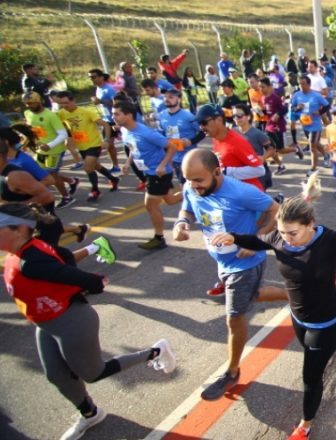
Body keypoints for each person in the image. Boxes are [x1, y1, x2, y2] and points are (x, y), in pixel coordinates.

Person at [209, 171, 336, 439]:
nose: (286, 239)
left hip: (326, 320)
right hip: (298, 317)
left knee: (311, 377)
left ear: (311, 224)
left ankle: (305, 424)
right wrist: (234, 237)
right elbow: (258, 240)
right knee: (310, 347)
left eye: (293, 233)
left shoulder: (329, 241)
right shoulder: (278, 238)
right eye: (283, 232)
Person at [0, 201, 172, 440]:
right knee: (57, 375)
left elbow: (66, 273)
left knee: (93, 373)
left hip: (71, 321)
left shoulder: (31, 261)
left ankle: (155, 352)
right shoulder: (28, 248)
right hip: (46, 323)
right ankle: (91, 414)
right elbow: (64, 258)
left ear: (19, 229)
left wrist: (95, 282)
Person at [173, 149, 284, 401]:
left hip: (244, 265)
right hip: (222, 262)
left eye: (198, 180)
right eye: (188, 179)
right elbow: (187, 209)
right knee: (251, 296)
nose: (192, 185)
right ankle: (294, 295)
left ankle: (232, 371)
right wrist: (181, 223)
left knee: (234, 318)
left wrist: (255, 240)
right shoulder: (193, 187)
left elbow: (276, 211)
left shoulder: (241, 192)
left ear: (216, 172)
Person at [113, 101, 181, 250]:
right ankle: (194, 191)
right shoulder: (125, 131)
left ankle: (159, 238)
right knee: (170, 200)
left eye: (117, 114)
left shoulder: (146, 133)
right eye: (113, 114)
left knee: (150, 206)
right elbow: (132, 147)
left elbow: (172, 147)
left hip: (158, 174)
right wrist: (127, 163)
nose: (113, 117)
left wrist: (163, 165)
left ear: (129, 115)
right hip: (148, 172)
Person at [55, 91, 120, 202]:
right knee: (96, 166)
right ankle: (113, 179)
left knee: (88, 168)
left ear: (73, 101)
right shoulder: (62, 113)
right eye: (62, 104)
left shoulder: (86, 112)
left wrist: (106, 140)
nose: (64, 106)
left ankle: (95, 191)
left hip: (94, 144)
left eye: (66, 103)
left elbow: (105, 125)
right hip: (81, 146)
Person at [21, 91, 78, 208]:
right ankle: (72, 181)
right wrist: (26, 142)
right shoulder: (27, 113)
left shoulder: (51, 115)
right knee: (41, 173)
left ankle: (67, 197)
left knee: (52, 174)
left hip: (54, 150)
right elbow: (32, 130)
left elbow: (63, 134)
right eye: (27, 104)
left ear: (39, 101)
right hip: (39, 149)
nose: (29, 106)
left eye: (31, 103)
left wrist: (49, 145)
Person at [196, 104, 266, 191]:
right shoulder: (216, 139)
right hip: (234, 196)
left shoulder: (237, 142)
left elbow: (259, 170)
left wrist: (227, 172)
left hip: (250, 199)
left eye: (204, 123)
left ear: (219, 120)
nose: (201, 127)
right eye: (199, 123)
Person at [155, 88, 205, 185]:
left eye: (171, 97)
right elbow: (161, 135)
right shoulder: (162, 116)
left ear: (179, 99)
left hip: (190, 157)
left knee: (196, 184)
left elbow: (203, 132)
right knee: (184, 185)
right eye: (165, 97)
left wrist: (191, 141)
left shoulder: (188, 116)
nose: (166, 99)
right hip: (175, 159)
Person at [290, 76, 331, 176]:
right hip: (305, 124)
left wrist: (319, 112)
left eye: (303, 83)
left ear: (309, 84)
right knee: (316, 143)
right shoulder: (297, 95)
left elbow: (327, 105)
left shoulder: (316, 95)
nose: (301, 86)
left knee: (312, 146)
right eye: (300, 84)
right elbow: (292, 107)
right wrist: (298, 108)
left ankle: (313, 169)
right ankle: (326, 155)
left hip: (315, 125)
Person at [232, 104, 276, 191]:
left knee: (259, 199)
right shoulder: (232, 132)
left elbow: (272, 150)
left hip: (257, 173)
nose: (236, 118)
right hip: (240, 172)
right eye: (234, 116)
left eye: (240, 116)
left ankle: (277, 200)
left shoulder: (258, 134)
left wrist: (263, 157)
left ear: (248, 116)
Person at [87, 69, 121, 172]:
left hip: (117, 119)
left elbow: (117, 103)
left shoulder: (109, 89)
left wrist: (100, 101)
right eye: (90, 78)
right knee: (109, 145)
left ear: (101, 77)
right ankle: (116, 166)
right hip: (107, 120)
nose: (92, 79)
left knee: (128, 143)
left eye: (93, 77)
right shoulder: (98, 89)